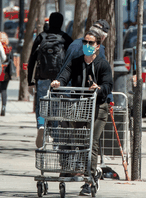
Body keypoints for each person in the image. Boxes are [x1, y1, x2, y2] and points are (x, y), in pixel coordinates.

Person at [51, 30, 113, 196]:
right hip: (80, 107)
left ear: (97, 46)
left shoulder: (102, 64)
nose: (86, 46)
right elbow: (65, 74)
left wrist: (99, 89)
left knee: (91, 142)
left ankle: (89, 179)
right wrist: (58, 82)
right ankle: (85, 170)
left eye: (90, 43)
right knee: (78, 141)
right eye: (85, 42)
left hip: (98, 108)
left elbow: (108, 85)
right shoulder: (76, 62)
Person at [27, 12, 73, 148]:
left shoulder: (41, 37)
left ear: (49, 22)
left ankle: (41, 126)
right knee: (58, 107)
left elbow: (32, 60)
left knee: (42, 104)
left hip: (42, 77)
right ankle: (56, 137)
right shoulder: (65, 38)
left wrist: (30, 81)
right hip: (60, 79)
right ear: (61, 22)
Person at [0, 32, 13, 116]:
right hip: (6, 71)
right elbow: (11, 59)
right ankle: (4, 107)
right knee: (4, 89)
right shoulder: (8, 48)